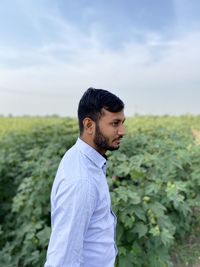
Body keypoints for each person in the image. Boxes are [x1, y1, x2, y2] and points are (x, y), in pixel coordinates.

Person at [44, 87, 125, 267]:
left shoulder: (80, 157)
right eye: (115, 123)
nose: (122, 131)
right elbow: (62, 260)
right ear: (89, 125)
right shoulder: (82, 182)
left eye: (122, 123)